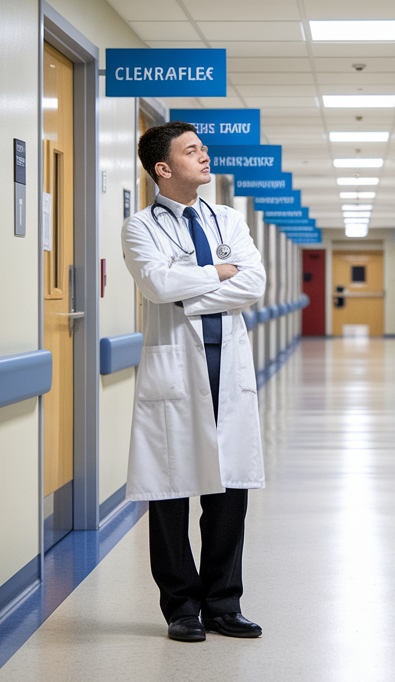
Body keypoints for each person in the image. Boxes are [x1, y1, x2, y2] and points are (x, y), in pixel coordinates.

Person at [121, 121, 267, 642]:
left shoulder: (228, 218)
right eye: (191, 151)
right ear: (163, 168)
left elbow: (254, 282)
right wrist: (218, 273)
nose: (205, 156)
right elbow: (157, 284)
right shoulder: (140, 227)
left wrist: (195, 287)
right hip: (176, 377)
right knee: (170, 495)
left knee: (230, 496)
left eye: (204, 148)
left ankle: (224, 605)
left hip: (226, 372)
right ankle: (181, 608)